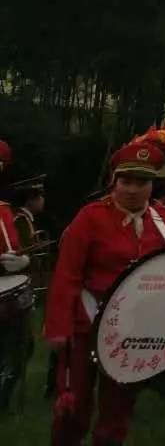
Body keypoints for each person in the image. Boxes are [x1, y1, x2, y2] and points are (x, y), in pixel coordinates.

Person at [44, 140, 165, 445]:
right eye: (125, 181)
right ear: (113, 182)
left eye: (141, 182)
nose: (132, 189)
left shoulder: (163, 220)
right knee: (74, 410)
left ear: (152, 184)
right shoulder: (90, 218)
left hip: (130, 332)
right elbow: (66, 276)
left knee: (117, 412)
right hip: (85, 326)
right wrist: (58, 327)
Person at [0, 140, 34, 413]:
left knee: (21, 347)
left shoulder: (3, 207)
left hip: (7, 288)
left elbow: (14, 247)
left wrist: (23, 259)